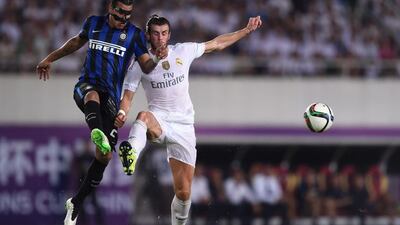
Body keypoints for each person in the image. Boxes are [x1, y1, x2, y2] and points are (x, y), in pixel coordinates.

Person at [114, 14, 262, 225]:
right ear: (148, 36)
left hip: (184, 126)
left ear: (169, 35)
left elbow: (217, 44)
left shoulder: (183, 50)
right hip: (160, 120)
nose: (160, 38)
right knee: (143, 116)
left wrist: (246, 30)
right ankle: (131, 154)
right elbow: (127, 97)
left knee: (184, 193)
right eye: (155, 34)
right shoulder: (139, 65)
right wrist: (121, 113)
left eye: (164, 33)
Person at [35, 1, 167, 225]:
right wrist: (49, 58)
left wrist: (156, 58)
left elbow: (145, 66)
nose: (124, 17)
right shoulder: (93, 24)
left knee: (104, 156)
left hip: (111, 101)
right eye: (120, 13)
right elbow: (75, 43)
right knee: (91, 94)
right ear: (110, 8)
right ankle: (97, 132)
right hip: (86, 87)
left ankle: (75, 203)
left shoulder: (134, 35)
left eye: (128, 14)